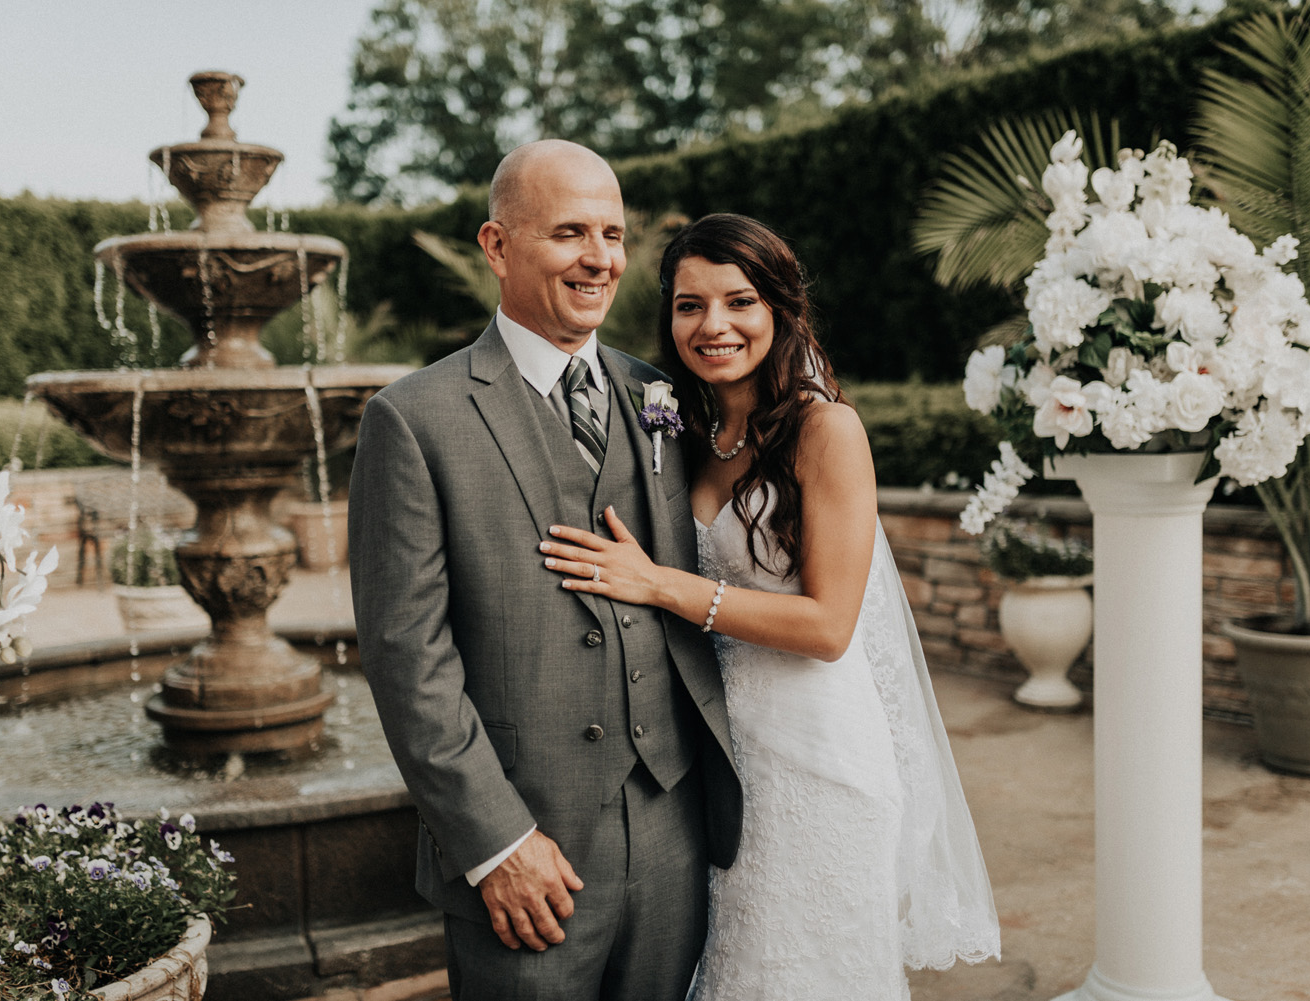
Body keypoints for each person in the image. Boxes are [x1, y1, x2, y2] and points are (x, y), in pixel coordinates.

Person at [540, 213, 1002, 999]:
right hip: (717, 759)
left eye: (739, 301)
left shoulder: (828, 431)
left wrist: (660, 584)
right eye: (689, 305)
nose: (712, 325)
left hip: (817, 761)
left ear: (782, 311)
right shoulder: (679, 428)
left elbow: (827, 627)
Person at [346, 141, 743, 1001]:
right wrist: (495, 843)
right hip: (528, 853)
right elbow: (406, 654)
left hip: (676, 828)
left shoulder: (658, 395)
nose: (599, 257)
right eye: (569, 232)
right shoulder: (412, 419)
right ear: (497, 246)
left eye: (612, 233)